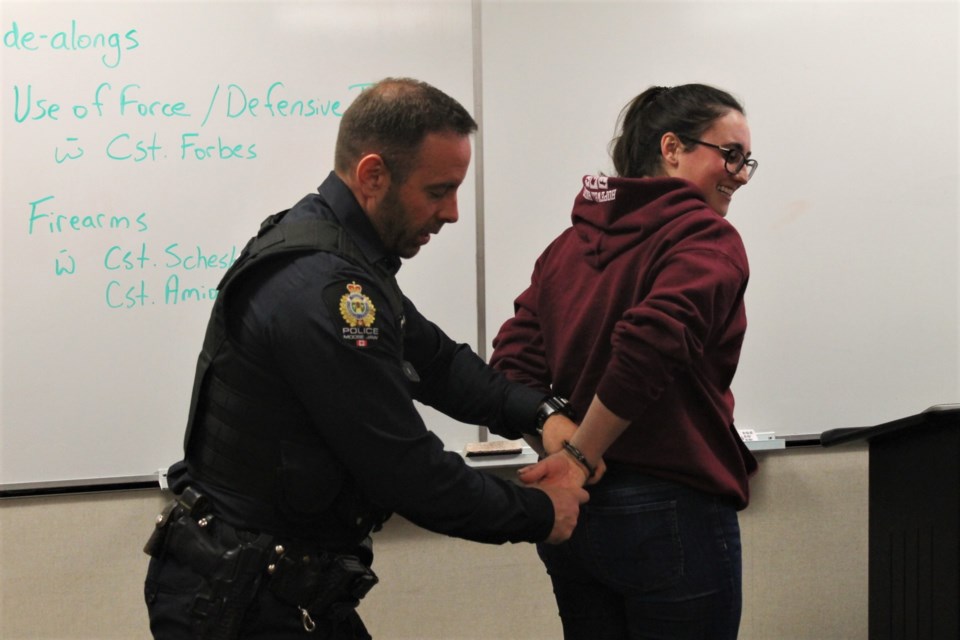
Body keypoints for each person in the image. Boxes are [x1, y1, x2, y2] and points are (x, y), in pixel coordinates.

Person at [143, 77, 589, 640]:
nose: (452, 212)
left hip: (277, 583)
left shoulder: (343, 255)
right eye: (437, 190)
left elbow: (439, 363)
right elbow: (408, 471)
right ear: (373, 175)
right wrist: (541, 513)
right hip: (243, 599)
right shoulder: (322, 291)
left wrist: (540, 414)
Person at [489, 84, 760, 639]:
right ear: (672, 148)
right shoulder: (705, 235)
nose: (741, 174)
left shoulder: (567, 247)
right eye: (730, 154)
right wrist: (580, 456)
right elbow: (650, 345)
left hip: (576, 512)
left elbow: (510, 365)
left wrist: (559, 444)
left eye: (747, 160)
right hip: (670, 509)